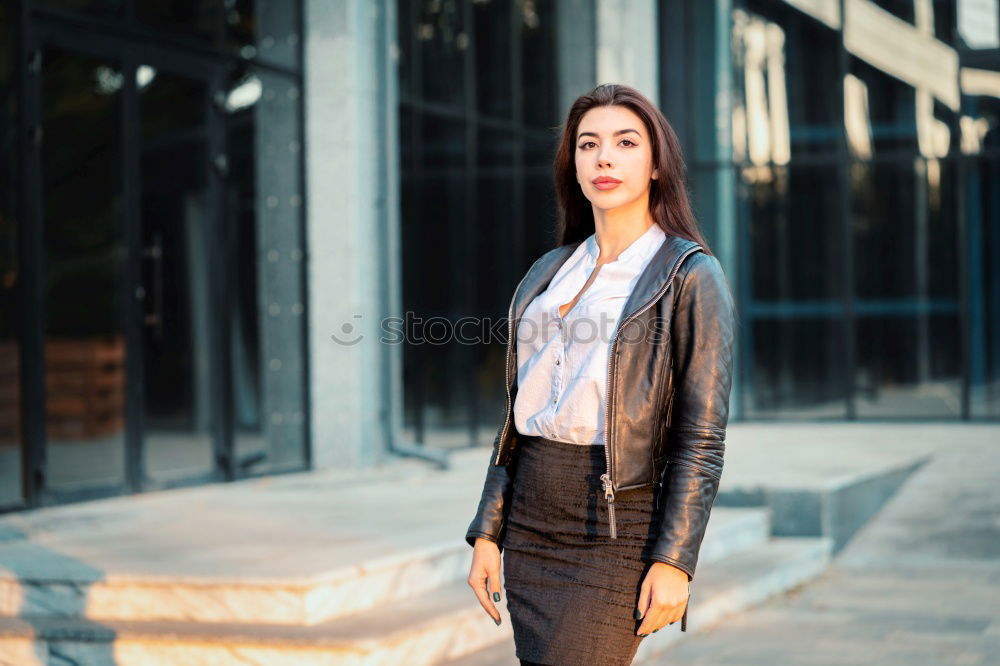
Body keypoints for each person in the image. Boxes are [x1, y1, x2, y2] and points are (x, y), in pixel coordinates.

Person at [464, 83, 737, 666]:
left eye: (625, 142)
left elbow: (702, 438)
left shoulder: (689, 275)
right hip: (532, 517)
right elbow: (514, 417)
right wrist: (488, 530)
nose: (604, 157)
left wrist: (675, 560)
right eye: (588, 144)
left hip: (616, 524)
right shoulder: (549, 271)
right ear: (573, 164)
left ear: (657, 164)